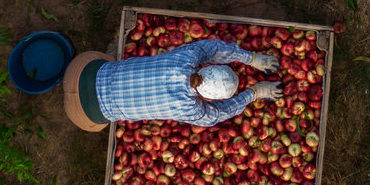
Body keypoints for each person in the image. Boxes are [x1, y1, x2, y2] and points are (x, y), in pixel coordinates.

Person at [63, 37, 283, 131]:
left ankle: (108, 59)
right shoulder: (189, 109)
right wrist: (255, 93)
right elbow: (218, 115)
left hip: (80, 72)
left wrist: (251, 58)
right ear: (208, 99)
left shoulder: (186, 58)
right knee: (101, 122)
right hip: (83, 116)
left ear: (205, 66)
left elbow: (214, 48)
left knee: (110, 63)